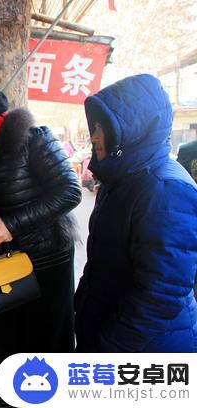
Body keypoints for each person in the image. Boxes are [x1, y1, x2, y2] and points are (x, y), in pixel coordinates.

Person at [0, 80, 81, 408]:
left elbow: (70, 191)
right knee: (5, 347)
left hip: (48, 261)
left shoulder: (33, 141)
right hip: (4, 268)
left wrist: (13, 224)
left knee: (46, 347)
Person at [75, 74, 197, 352]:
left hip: (146, 348)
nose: (94, 136)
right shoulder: (122, 176)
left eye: (102, 127)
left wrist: (111, 346)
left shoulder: (165, 190)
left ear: (131, 131)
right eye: (94, 126)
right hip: (112, 332)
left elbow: (161, 293)